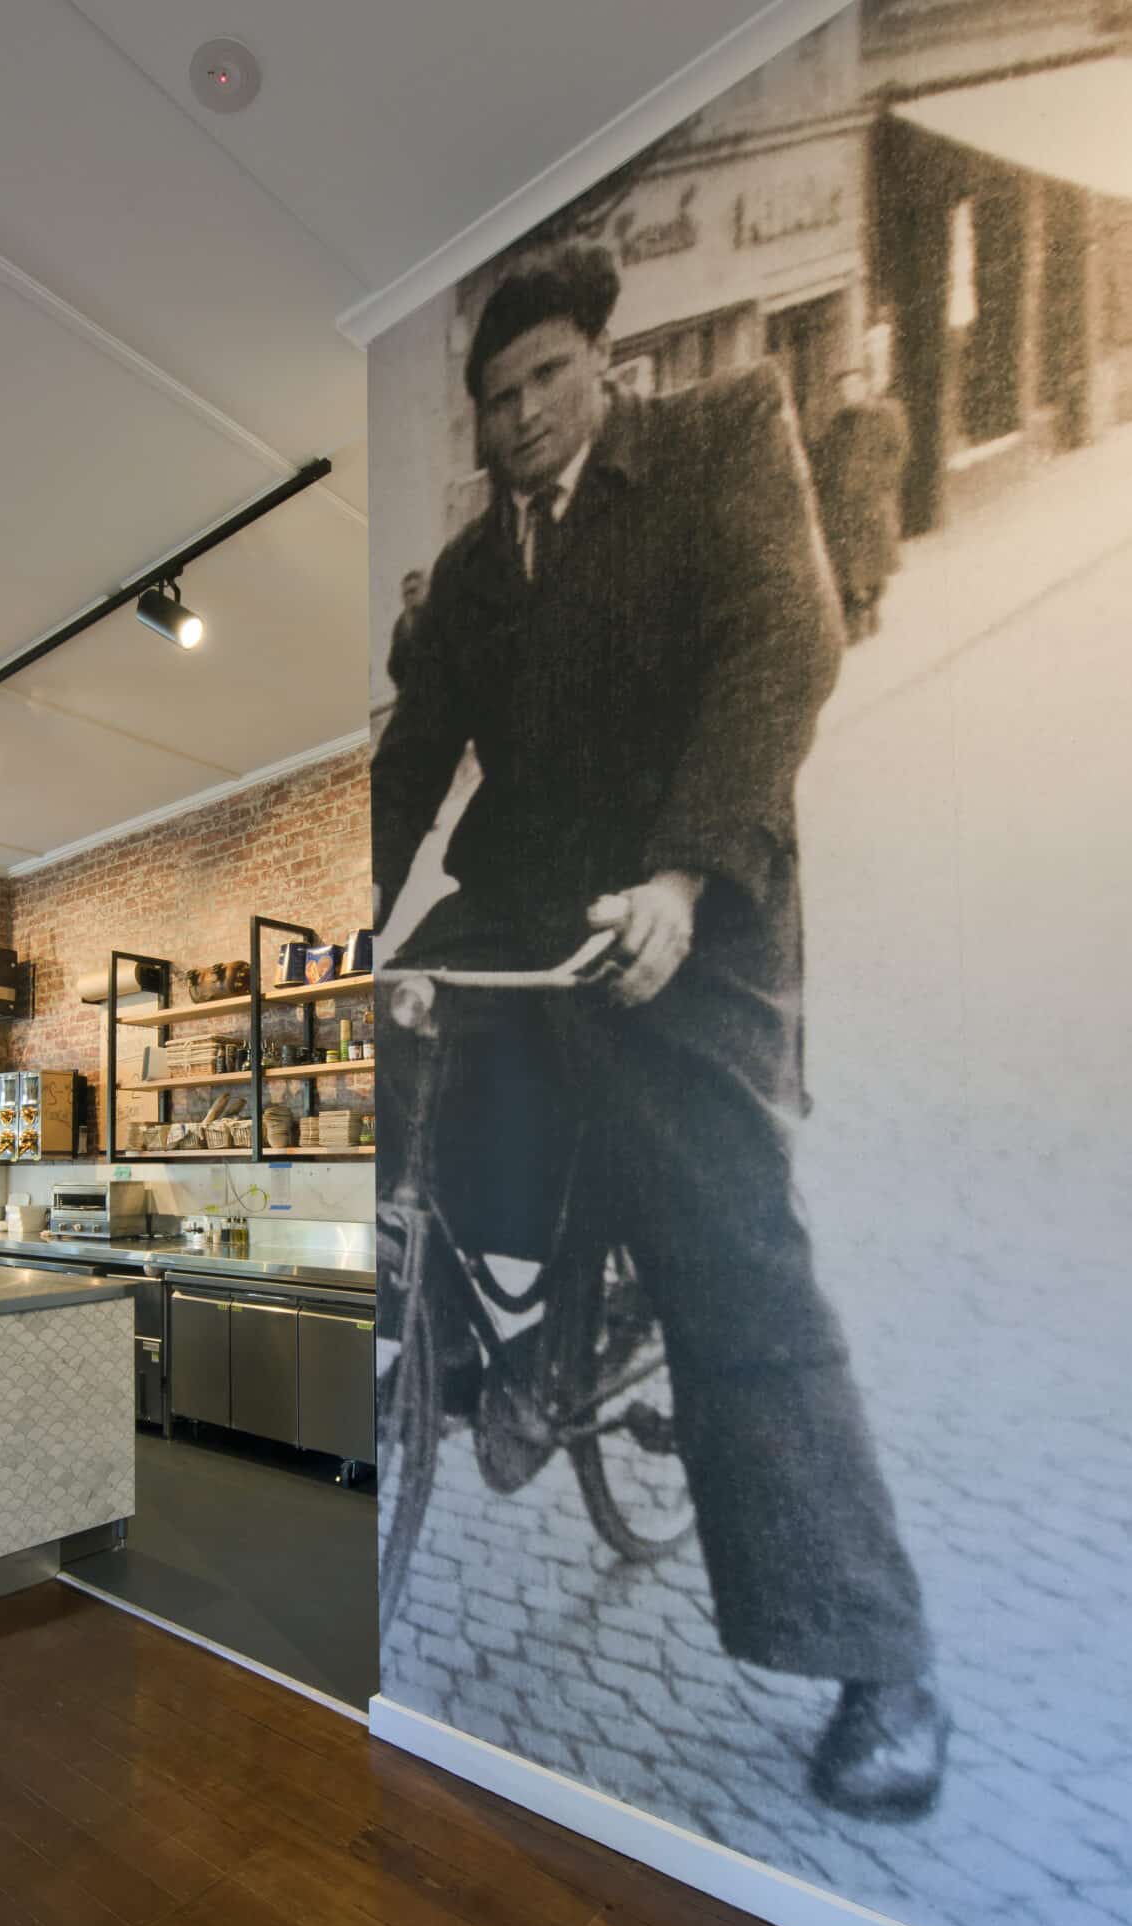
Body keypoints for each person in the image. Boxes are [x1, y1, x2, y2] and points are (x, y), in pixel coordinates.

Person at [372, 248, 947, 1821]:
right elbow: (415, 757)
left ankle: (879, 1659)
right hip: (530, 906)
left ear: (601, 366)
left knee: (725, 1252)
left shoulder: (717, 443)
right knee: (373, 1077)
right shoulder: (475, 573)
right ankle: (459, 1354)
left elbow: (784, 645)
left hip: (688, 912)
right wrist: (348, 933)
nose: (521, 414)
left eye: (546, 377)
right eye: (495, 398)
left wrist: (686, 876)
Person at [811, 337, 909, 642]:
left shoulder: (886, 414)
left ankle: (872, 607)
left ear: (865, 386)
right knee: (848, 565)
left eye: (853, 387)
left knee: (874, 563)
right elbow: (825, 459)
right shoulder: (839, 423)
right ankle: (855, 617)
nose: (847, 393)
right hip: (842, 507)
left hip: (872, 503)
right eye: (842, 389)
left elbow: (898, 451)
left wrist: (880, 483)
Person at [386, 568, 430, 698]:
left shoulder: (439, 615)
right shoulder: (400, 626)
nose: (409, 597)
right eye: (405, 594)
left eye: (413, 591)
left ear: (426, 589)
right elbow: (394, 668)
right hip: (415, 695)